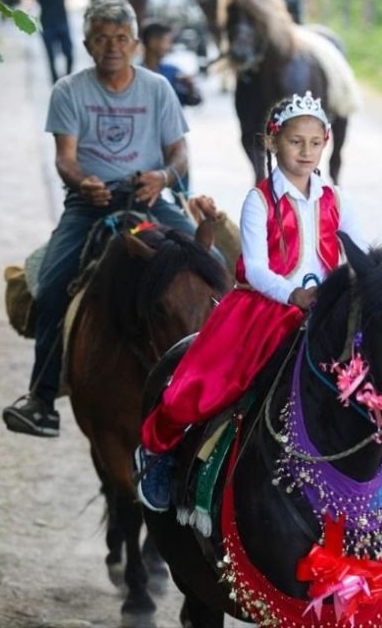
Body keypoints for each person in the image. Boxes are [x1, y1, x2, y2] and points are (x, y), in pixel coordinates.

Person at [134, 91, 368, 512]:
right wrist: (292, 293)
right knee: (211, 380)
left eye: (315, 142)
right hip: (271, 307)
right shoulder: (259, 201)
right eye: (296, 141)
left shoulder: (337, 200)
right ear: (272, 142)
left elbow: (359, 252)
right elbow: (257, 269)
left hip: (323, 310)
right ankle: (161, 451)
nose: (306, 151)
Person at [2, 0, 199, 438]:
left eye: (120, 38)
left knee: (211, 270)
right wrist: (83, 181)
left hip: (148, 197)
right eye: (101, 39)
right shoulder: (69, 90)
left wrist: (162, 176)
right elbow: (65, 159)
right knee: (52, 286)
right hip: (89, 204)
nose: (112, 47)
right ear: (88, 44)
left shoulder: (157, 88)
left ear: (133, 43)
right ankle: (41, 397)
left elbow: (179, 154)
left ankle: (228, 384)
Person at [140, 20, 201, 107]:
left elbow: (194, 101)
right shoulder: (134, 74)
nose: (170, 47)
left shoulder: (173, 72)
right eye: (168, 42)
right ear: (152, 42)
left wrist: (190, 87)